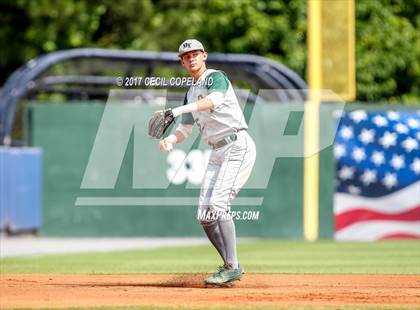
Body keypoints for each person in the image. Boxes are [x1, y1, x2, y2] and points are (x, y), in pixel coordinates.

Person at [159, 39, 256, 286]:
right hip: (216, 152)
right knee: (205, 215)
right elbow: (185, 129)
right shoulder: (190, 92)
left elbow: (213, 101)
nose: (191, 58)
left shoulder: (215, 77)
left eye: (195, 54)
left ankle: (231, 266)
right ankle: (231, 265)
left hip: (237, 145)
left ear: (205, 56)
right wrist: (171, 139)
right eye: (186, 56)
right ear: (182, 62)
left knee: (218, 204)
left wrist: (179, 111)